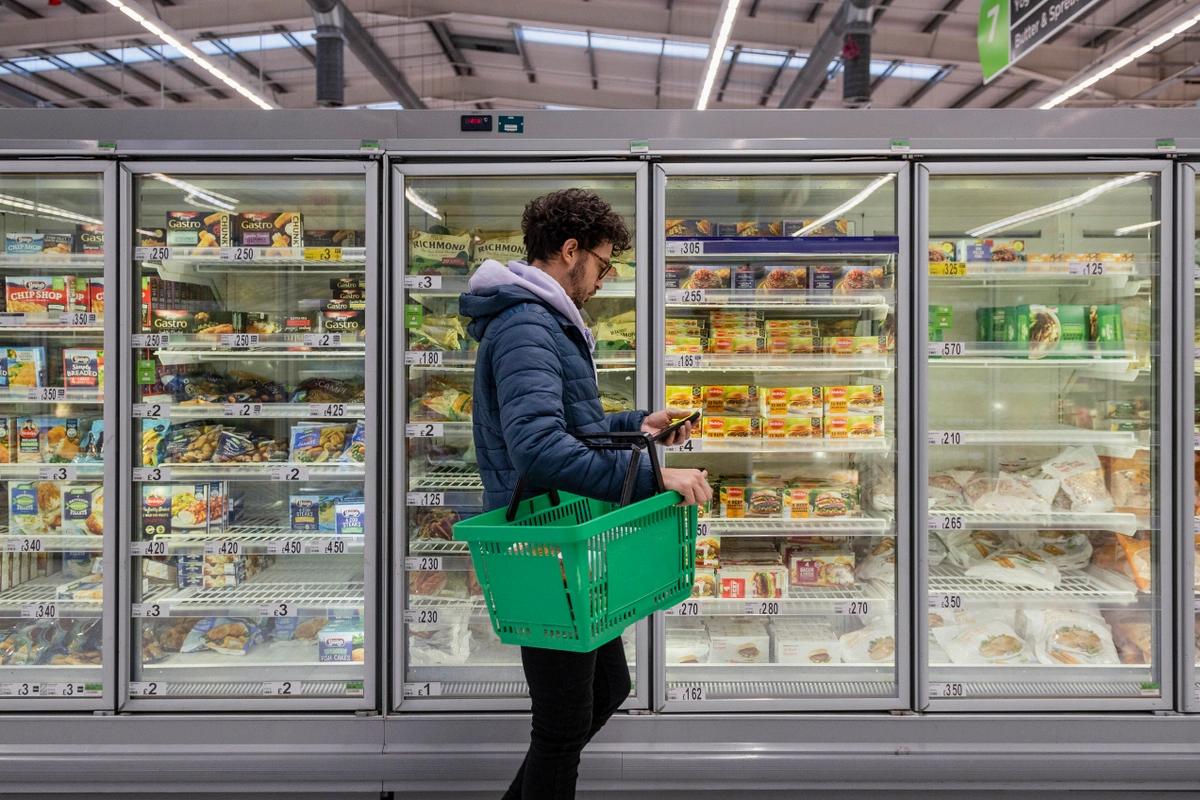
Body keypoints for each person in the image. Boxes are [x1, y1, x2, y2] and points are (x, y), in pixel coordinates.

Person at [460, 188, 712, 799]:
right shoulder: (527, 324)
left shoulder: (545, 319)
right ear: (570, 250)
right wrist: (656, 477)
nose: (603, 277)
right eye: (602, 263)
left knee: (606, 692)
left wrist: (636, 426)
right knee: (561, 728)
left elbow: (568, 426)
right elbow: (540, 448)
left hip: (567, 535)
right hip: (545, 544)